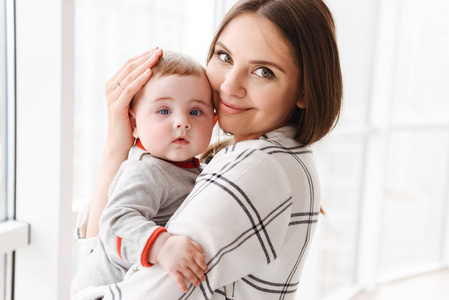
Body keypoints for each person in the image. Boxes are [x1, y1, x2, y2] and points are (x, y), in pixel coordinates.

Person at [76, 0, 342, 299]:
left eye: (264, 71)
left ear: (306, 90)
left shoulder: (254, 167)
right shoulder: (284, 156)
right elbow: (112, 237)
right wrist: (117, 146)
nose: (229, 86)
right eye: (224, 56)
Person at [72, 51, 216, 298]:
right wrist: (162, 245)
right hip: (102, 291)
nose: (182, 122)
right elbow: (115, 224)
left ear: (214, 122)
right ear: (135, 124)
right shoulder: (148, 170)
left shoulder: (194, 169)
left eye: (195, 112)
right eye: (163, 111)